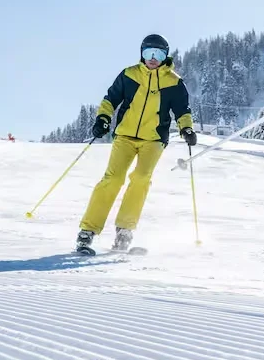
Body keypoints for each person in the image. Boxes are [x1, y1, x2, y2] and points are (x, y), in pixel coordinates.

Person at [77, 33, 196, 254]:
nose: (153, 58)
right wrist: (103, 118)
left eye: (158, 54)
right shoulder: (129, 75)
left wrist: (186, 128)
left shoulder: (174, 82)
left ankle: (124, 231)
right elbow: (110, 99)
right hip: (125, 136)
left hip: (154, 139)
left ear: (166, 56)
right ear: (142, 54)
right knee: (113, 179)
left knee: (141, 178)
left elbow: (183, 111)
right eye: (149, 52)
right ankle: (88, 231)